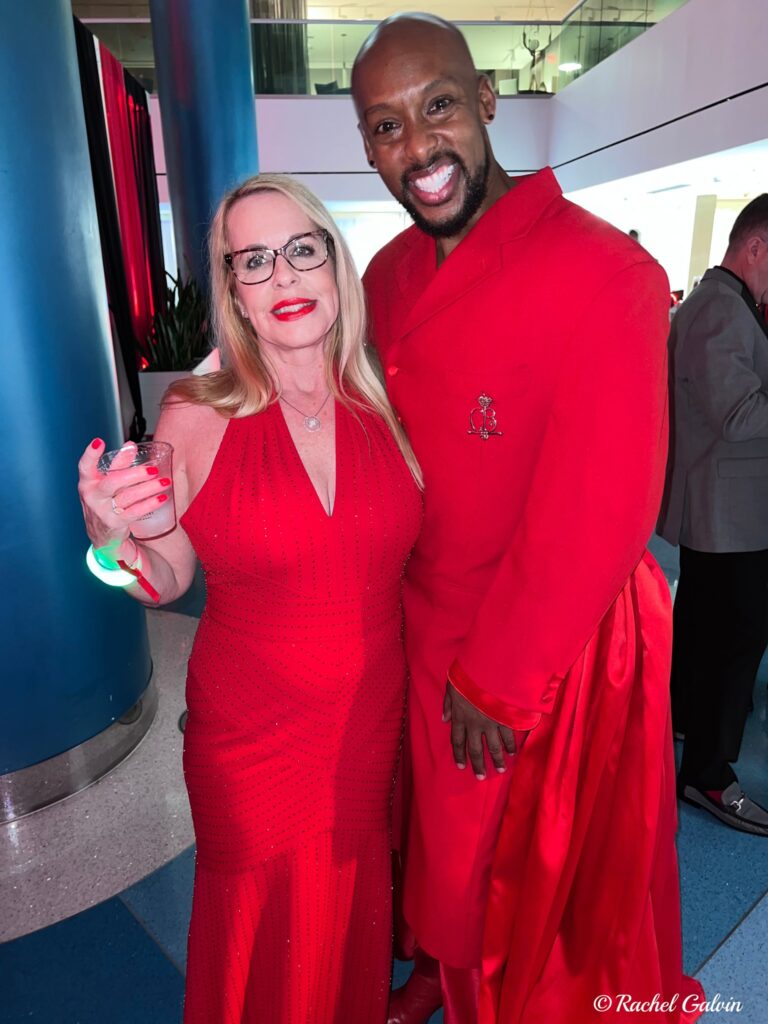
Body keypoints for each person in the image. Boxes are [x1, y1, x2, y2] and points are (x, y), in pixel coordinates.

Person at [352, 14, 703, 1024]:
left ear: (487, 100)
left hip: (547, 648)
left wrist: (501, 678)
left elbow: (605, 505)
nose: (418, 146)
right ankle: (440, 966)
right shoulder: (387, 275)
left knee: (532, 892)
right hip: (421, 621)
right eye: (386, 126)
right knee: (436, 842)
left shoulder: (608, 273)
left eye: (438, 106)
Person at [77, 173, 422, 1023]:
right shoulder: (197, 414)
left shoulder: (388, 396)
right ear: (234, 290)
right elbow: (164, 575)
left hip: (367, 724)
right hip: (251, 742)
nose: (284, 276)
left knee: (345, 923)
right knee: (260, 942)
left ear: (335, 262)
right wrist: (110, 541)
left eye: (302, 250)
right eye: (254, 260)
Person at [657, 194, 768, 837]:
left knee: (706, 632)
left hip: (725, 511)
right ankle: (709, 774)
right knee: (735, 641)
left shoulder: (722, 303)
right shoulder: (721, 309)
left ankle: (688, 731)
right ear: (755, 247)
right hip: (729, 515)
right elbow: (740, 415)